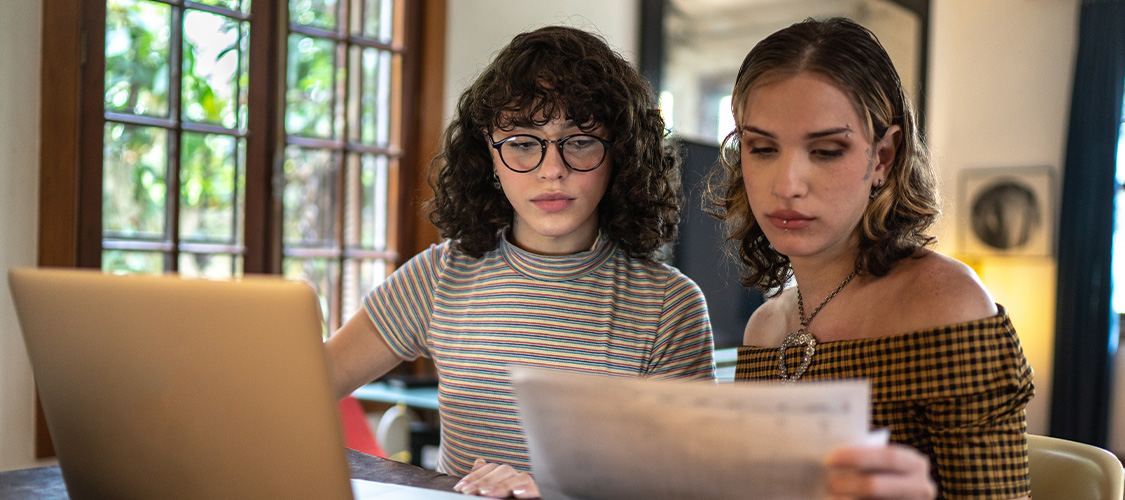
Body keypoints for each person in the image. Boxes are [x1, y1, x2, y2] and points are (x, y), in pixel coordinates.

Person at [324, 25, 716, 496]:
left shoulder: (670, 306)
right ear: (488, 154)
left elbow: (690, 482)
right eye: (524, 143)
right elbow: (308, 384)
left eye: (580, 141)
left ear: (621, 155)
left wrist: (554, 490)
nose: (553, 170)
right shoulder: (438, 276)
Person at [710, 17, 1034, 499]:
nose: (787, 184)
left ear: (882, 158)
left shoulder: (945, 305)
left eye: (825, 150)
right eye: (762, 148)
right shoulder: (765, 329)